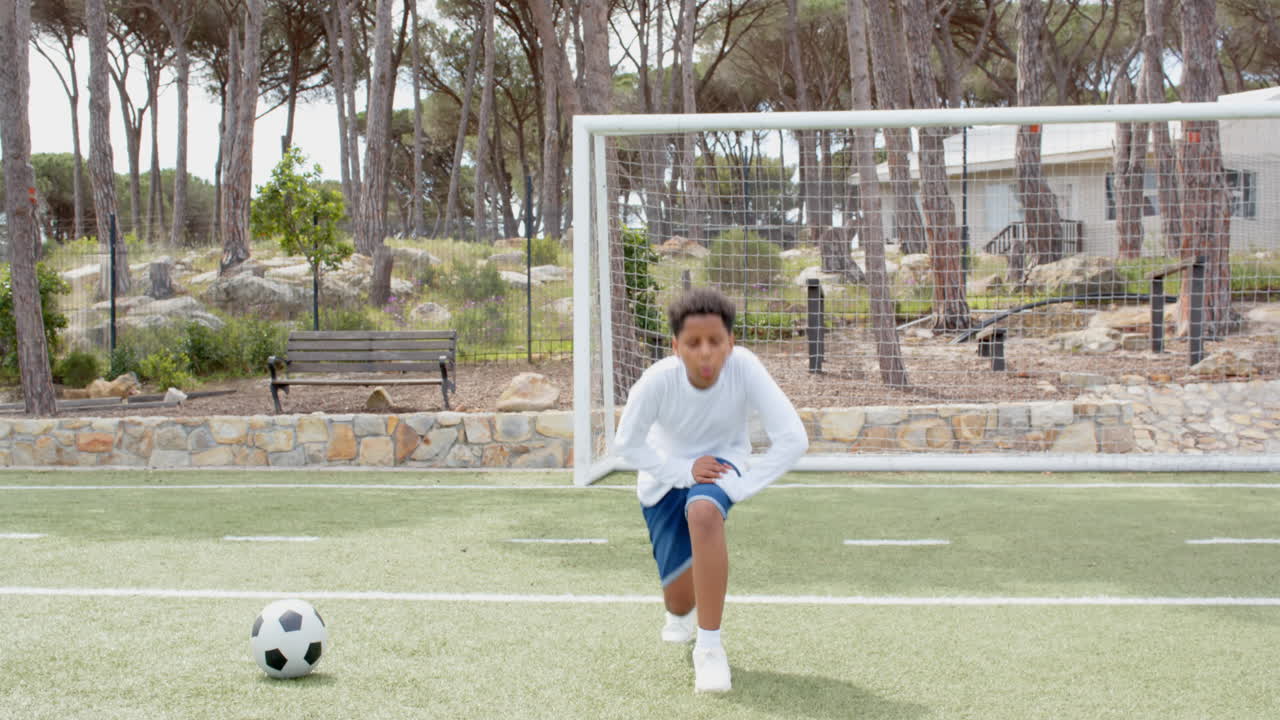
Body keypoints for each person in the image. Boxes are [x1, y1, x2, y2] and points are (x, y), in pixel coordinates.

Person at [614, 287, 809, 693]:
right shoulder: (656, 382)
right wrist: (684, 470)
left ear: (731, 342)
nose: (705, 353)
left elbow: (793, 438)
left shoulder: (746, 368)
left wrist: (741, 485)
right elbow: (626, 444)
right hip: (663, 479)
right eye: (693, 343)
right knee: (679, 603)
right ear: (675, 347)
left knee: (704, 513)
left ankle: (710, 650)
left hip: (723, 465)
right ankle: (682, 616)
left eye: (715, 342)